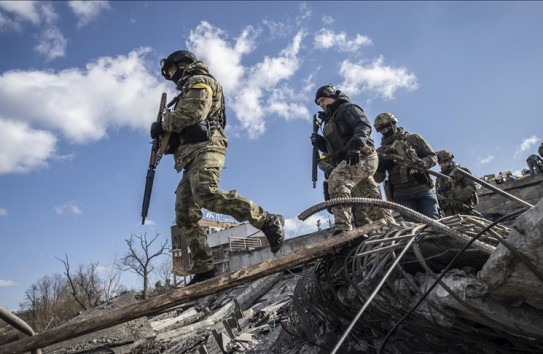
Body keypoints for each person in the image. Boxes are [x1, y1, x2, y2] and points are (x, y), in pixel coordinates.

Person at [151, 50, 284, 285]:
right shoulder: (183, 92)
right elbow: (180, 130)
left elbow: (194, 112)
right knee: (184, 213)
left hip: (208, 147)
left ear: (184, 64)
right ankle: (204, 267)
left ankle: (266, 219)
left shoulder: (200, 80)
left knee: (206, 193)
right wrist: (164, 136)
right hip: (189, 156)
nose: (171, 76)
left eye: (172, 70)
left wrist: (163, 124)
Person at [310, 85, 394, 235]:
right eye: (319, 103)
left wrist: (356, 145)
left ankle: (343, 228)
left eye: (323, 100)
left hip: (362, 155)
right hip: (350, 162)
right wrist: (320, 142)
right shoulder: (329, 121)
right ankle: (387, 230)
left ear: (333, 96)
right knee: (366, 204)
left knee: (336, 179)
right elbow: (333, 150)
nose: (321, 105)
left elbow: (363, 125)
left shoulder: (347, 109)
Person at [373, 112, 440, 221]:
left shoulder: (413, 139)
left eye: (387, 127)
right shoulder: (380, 152)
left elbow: (432, 156)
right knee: (413, 228)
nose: (385, 131)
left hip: (422, 189)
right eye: (382, 130)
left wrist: (421, 164)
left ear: (394, 124)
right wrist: (382, 166)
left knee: (434, 224)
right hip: (401, 195)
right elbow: (378, 178)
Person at [435, 150, 480, 217]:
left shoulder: (461, 171)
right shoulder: (439, 177)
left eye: (445, 162)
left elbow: (472, 186)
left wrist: (457, 200)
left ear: (450, 160)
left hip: (464, 207)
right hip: (448, 210)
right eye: (440, 163)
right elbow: (437, 193)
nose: (443, 165)